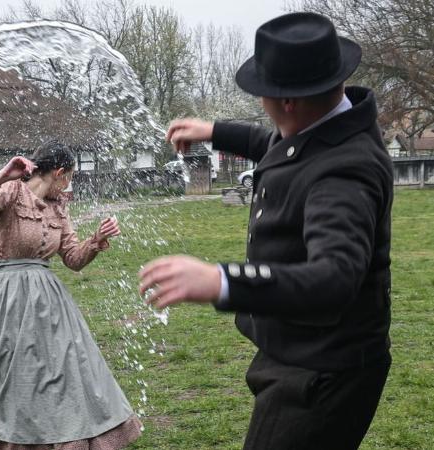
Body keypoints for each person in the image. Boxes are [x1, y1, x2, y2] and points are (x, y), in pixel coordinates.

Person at [138, 12, 393, 450]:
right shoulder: (327, 125)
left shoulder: (344, 172)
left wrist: (220, 281)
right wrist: (215, 131)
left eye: (264, 95)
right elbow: (274, 144)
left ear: (288, 101)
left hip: (323, 372)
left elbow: (332, 280)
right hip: (300, 350)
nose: (263, 105)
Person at [0, 140, 142, 449]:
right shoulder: (11, 192)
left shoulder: (58, 208)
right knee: (14, 377)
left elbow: (73, 260)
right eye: (69, 178)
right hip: (7, 299)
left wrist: (96, 239)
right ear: (60, 172)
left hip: (49, 303)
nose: (69, 186)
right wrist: (2, 175)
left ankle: (66, 438)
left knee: (63, 372)